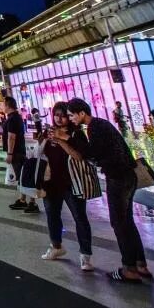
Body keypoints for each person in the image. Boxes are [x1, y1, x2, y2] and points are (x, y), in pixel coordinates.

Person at [65, 98, 152, 284]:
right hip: (128, 176)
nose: (71, 119)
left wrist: (68, 139)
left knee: (119, 223)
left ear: (82, 113)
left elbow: (90, 153)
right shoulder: (102, 125)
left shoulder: (94, 127)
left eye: (72, 115)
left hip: (118, 178)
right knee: (127, 222)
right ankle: (140, 264)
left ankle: (129, 269)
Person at [40, 101, 93, 271]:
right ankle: (56, 246)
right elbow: (40, 154)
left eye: (63, 115)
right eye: (56, 115)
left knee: (80, 217)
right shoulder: (47, 132)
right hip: (51, 182)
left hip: (72, 182)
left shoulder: (76, 134)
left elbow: (80, 155)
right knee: (52, 215)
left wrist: (60, 139)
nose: (59, 119)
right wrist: (44, 141)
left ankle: (85, 256)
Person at [4, 96, 37, 214]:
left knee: (24, 177)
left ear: (8, 105)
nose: (2, 107)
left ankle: (32, 202)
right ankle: (23, 200)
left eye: (3, 104)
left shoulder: (13, 119)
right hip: (19, 151)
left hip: (16, 152)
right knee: (23, 177)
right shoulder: (15, 118)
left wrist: (10, 153)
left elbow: (12, 137)